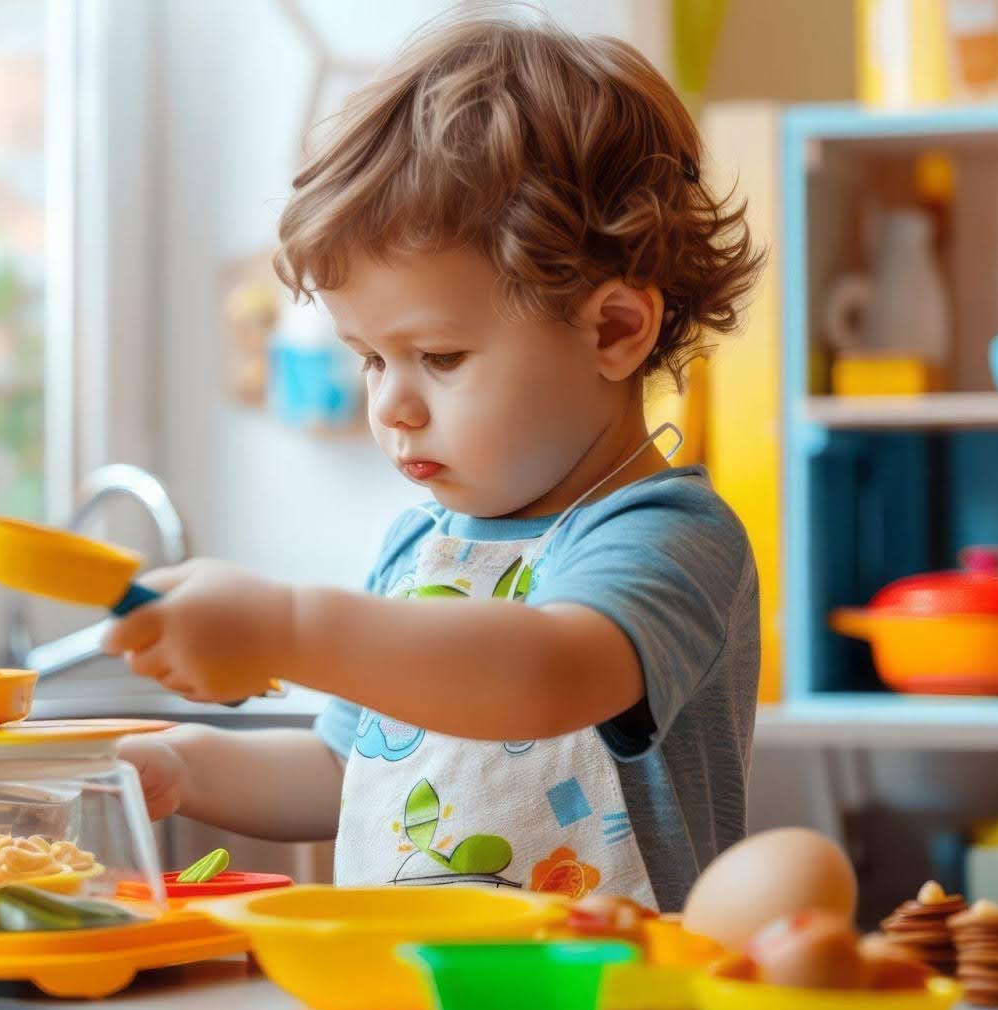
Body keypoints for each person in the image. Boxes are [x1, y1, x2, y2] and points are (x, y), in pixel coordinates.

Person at [106, 10, 763, 910]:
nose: (391, 406)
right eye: (372, 358)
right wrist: (184, 765)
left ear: (612, 329)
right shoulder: (423, 548)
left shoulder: (663, 536)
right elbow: (345, 765)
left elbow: (546, 674)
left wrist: (287, 628)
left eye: (440, 358)